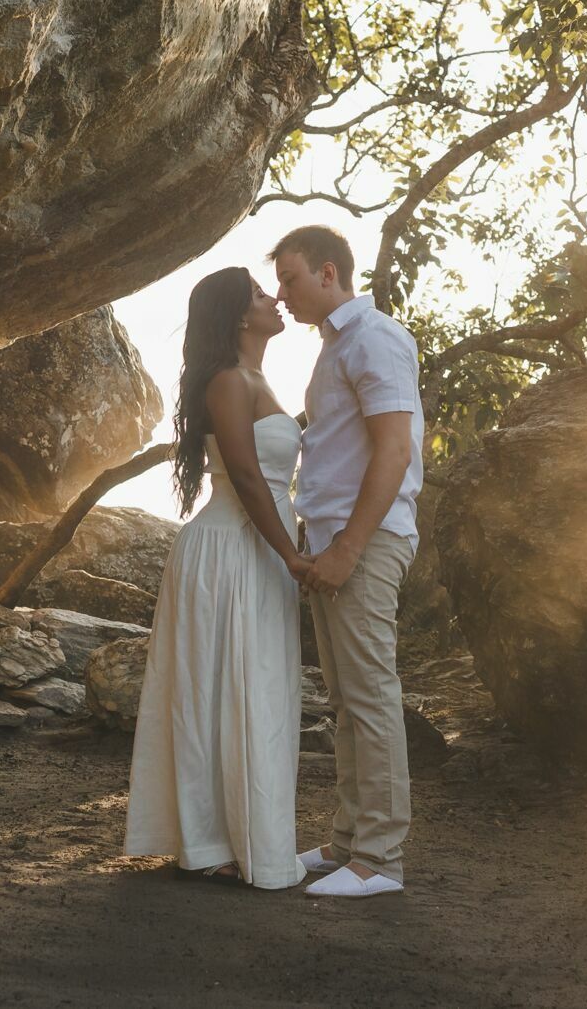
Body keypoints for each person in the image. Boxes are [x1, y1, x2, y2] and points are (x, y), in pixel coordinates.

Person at [123, 267, 312, 888]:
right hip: (233, 548)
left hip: (255, 547)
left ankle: (234, 837)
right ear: (237, 316)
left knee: (253, 687)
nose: (275, 299)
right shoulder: (230, 382)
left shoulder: (256, 378)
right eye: (262, 294)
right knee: (224, 688)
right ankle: (210, 842)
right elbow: (250, 478)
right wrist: (292, 554)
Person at [271, 225, 423, 899]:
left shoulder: (375, 337)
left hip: (362, 540)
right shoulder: (337, 345)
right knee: (344, 701)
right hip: (330, 537)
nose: (282, 295)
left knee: (368, 694)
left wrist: (348, 547)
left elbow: (394, 450)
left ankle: (381, 860)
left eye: (291, 279)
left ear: (328, 274)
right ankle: (347, 845)